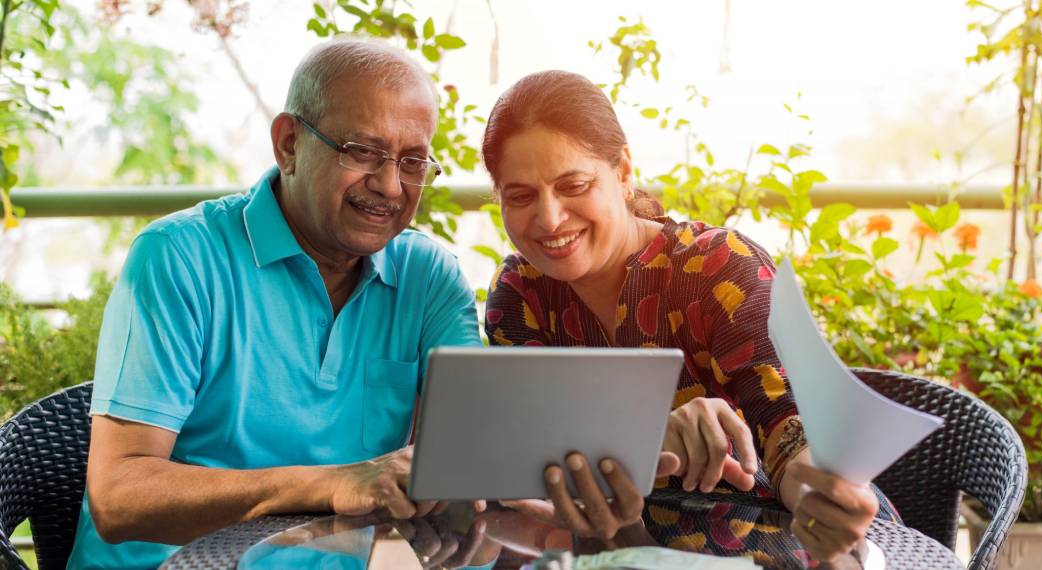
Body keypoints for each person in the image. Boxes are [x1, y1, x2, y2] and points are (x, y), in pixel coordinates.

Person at [67, 38, 486, 570]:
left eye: (413, 162)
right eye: (362, 152)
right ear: (288, 143)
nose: (389, 185)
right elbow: (119, 495)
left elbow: (461, 464)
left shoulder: (430, 278)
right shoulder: (178, 257)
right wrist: (332, 483)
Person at [481, 70, 899, 564]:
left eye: (573, 184)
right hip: (616, 551)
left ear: (622, 170)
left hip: (779, 543)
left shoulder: (719, 268)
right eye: (521, 196)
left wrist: (823, 500)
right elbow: (536, 448)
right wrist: (639, 435)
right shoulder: (521, 293)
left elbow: (791, 433)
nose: (549, 219)